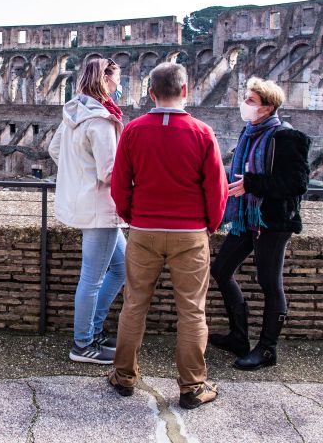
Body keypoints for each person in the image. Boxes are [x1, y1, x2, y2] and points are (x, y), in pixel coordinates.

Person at [108, 62, 228, 409]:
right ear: (186, 91)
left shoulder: (133, 130)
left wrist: (134, 216)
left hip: (144, 230)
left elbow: (119, 184)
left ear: (151, 93)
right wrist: (210, 225)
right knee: (192, 311)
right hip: (189, 232)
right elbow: (216, 189)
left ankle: (124, 376)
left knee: (134, 305)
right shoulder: (203, 132)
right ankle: (192, 387)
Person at [209, 77, 311, 370]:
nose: (245, 105)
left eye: (251, 101)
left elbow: (297, 183)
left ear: (267, 107)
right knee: (221, 269)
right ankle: (239, 338)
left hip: (272, 221)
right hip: (245, 218)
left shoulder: (288, 138)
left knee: (269, 284)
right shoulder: (249, 133)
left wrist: (252, 184)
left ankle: (267, 350)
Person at [49, 58, 126, 364]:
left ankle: (93, 331)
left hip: (87, 203)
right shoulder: (101, 120)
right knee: (92, 279)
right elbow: (110, 172)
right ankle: (83, 344)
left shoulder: (74, 111)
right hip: (101, 207)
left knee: (121, 268)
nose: (120, 85)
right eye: (117, 79)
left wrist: (79, 176)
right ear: (106, 81)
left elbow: (55, 149)